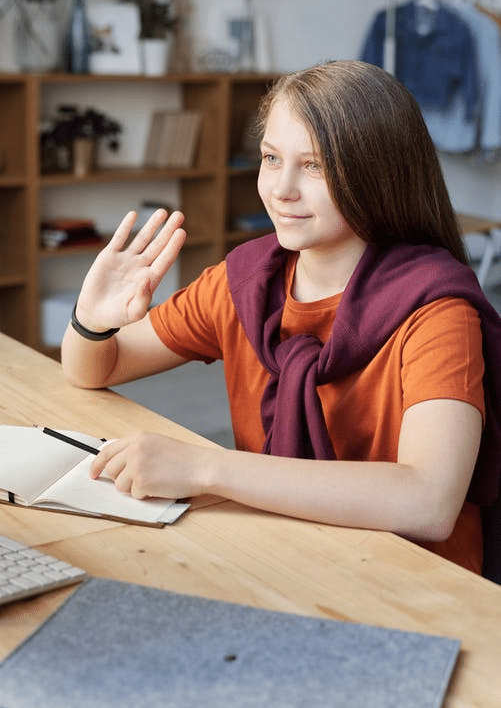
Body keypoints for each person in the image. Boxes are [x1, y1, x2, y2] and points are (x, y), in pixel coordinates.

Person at [61, 60, 501, 577]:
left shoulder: (436, 312)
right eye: (272, 158)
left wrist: (207, 467)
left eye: (314, 166)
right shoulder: (247, 281)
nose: (281, 189)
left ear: (376, 173)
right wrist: (92, 320)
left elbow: (428, 502)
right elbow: (97, 368)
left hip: (415, 581)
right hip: (282, 553)